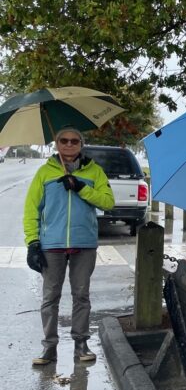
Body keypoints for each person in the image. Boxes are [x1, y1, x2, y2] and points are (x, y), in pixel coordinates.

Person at [24, 126, 114, 366]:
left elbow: (108, 202)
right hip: (51, 244)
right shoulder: (45, 173)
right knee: (50, 297)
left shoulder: (95, 172)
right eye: (64, 140)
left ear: (81, 145)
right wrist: (33, 243)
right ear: (57, 144)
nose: (69, 145)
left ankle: (81, 343)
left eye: (75, 141)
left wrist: (81, 187)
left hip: (84, 244)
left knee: (81, 295)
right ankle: (49, 348)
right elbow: (31, 210)